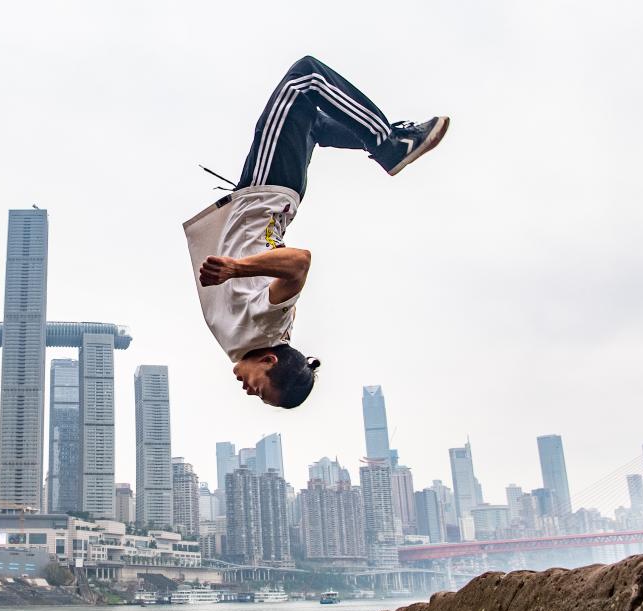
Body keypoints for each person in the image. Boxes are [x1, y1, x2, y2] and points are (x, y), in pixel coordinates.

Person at [183, 55, 449, 408]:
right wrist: (236, 268)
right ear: (269, 361)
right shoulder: (264, 326)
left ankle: (379, 139)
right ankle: (389, 143)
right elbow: (299, 264)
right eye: (261, 390)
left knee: (311, 124)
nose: (249, 392)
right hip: (265, 192)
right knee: (304, 78)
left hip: (260, 195)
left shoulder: (245, 339)